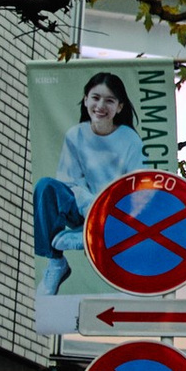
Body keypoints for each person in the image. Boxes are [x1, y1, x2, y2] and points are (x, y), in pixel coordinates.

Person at [32, 70, 147, 320]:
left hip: (117, 213)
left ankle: (88, 236)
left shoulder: (130, 140)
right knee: (46, 187)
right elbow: (69, 180)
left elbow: (137, 187)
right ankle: (56, 263)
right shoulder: (76, 135)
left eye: (109, 100)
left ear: (120, 106)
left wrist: (104, 209)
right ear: (85, 100)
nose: (100, 106)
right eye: (95, 98)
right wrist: (88, 206)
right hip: (84, 206)